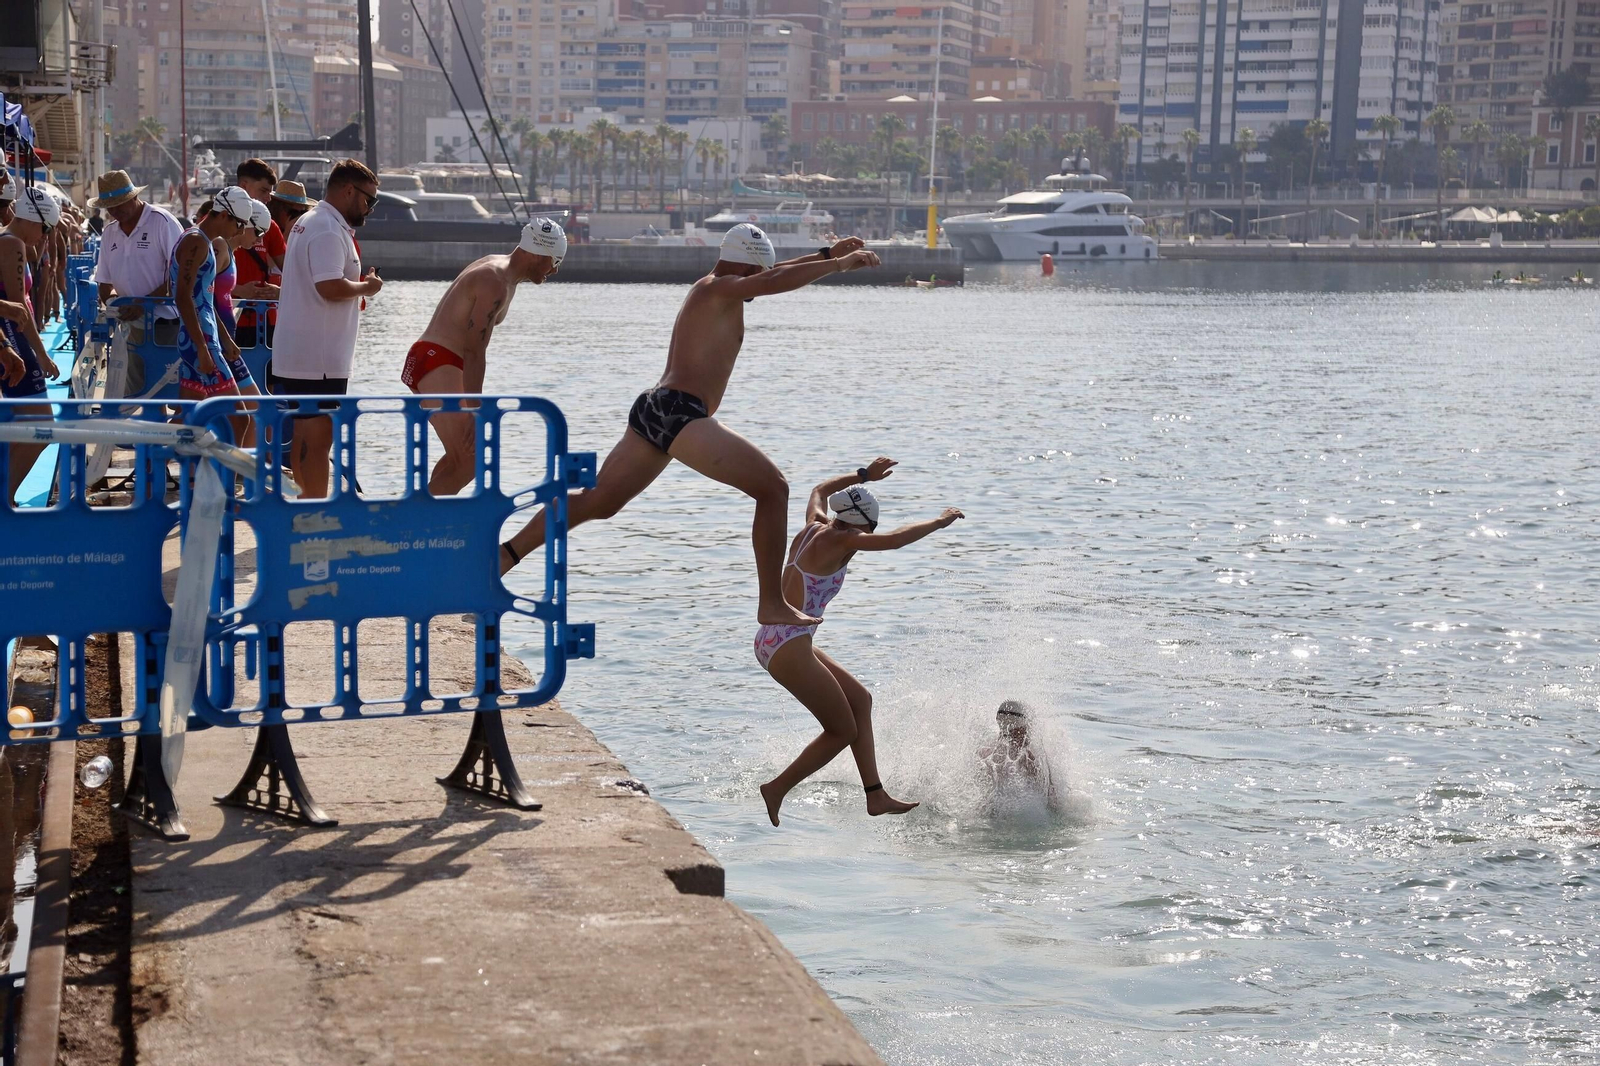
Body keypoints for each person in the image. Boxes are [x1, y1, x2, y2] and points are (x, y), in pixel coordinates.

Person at [499, 224, 881, 628]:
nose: (757, 283)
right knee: (774, 490)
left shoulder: (727, 284)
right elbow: (773, 278)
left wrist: (823, 254)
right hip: (679, 412)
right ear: (744, 265)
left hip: (656, 409)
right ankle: (771, 602)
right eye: (757, 272)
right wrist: (837, 265)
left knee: (598, 502)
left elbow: (774, 270)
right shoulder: (715, 287)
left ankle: (499, 559)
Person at [755, 461, 963, 826]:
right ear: (858, 523)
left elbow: (819, 488)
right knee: (841, 730)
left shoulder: (814, 526)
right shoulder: (843, 538)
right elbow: (896, 539)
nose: (868, 536)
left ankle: (875, 794)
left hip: (783, 638)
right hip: (787, 645)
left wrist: (864, 476)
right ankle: (776, 788)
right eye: (870, 529)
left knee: (860, 701)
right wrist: (939, 522)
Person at [402, 218, 565, 494]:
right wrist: (477, 411)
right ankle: (407, 526)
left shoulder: (497, 267)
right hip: (438, 359)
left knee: (460, 457)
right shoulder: (496, 282)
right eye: (555, 261)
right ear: (539, 253)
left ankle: (425, 518)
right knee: (470, 460)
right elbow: (474, 350)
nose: (555, 270)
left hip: (433, 359)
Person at [269, 159, 382, 499]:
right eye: (369, 200)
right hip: (318, 358)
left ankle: (304, 505)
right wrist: (367, 287)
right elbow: (329, 287)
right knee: (318, 442)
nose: (369, 209)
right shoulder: (329, 230)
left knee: (304, 439)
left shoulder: (308, 221)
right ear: (349, 190)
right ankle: (314, 514)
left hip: (300, 353)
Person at [91, 169, 183, 397]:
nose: (114, 211)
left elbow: (181, 275)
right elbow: (104, 282)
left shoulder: (162, 222)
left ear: (134, 197)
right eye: (109, 207)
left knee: (168, 390)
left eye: (120, 204)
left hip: (166, 323)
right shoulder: (110, 232)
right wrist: (114, 302)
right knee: (133, 391)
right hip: (130, 327)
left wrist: (141, 304)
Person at [0, 188, 63, 503]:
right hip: (12, 340)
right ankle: (5, 497)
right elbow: (18, 309)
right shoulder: (11, 245)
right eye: (46, 229)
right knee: (42, 425)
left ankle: (5, 494)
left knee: (22, 427)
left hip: (12, 337)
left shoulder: (10, 242)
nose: (45, 237)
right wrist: (40, 354)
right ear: (34, 220)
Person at [168, 186, 253, 417]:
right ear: (224, 215)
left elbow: (202, 299)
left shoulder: (201, 240)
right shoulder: (197, 242)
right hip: (200, 340)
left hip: (201, 337)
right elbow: (182, 296)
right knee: (239, 420)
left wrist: (224, 338)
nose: (241, 230)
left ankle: (157, 453)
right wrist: (203, 347)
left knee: (186, 421)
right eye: (239, 224)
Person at [976, 701, 1065, 812]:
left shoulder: (986, 752)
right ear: (1023, 728)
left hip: (1003, 711)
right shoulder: (1030, 757)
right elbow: (1050, 794)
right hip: (1016, 714)